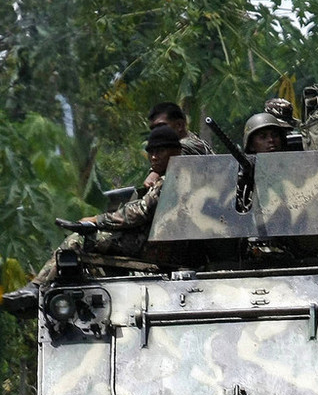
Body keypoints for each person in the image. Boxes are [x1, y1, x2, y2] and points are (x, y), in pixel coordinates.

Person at [1, 127, 184, 317]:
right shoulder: (183, 174)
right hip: (158, 243)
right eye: (151, 152)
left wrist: (97, 221)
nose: (154, 157)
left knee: (76, 241)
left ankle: (36, 292)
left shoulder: (170, 179)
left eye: (160, 151)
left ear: (176, 151)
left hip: (151, 246)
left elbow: (138, 212)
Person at [144, 101, 213, 188]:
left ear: (179, 125)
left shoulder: (187, 145)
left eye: (161, 126)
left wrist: (155, 173)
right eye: (153, 129)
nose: (156, 132)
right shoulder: (192, 139)